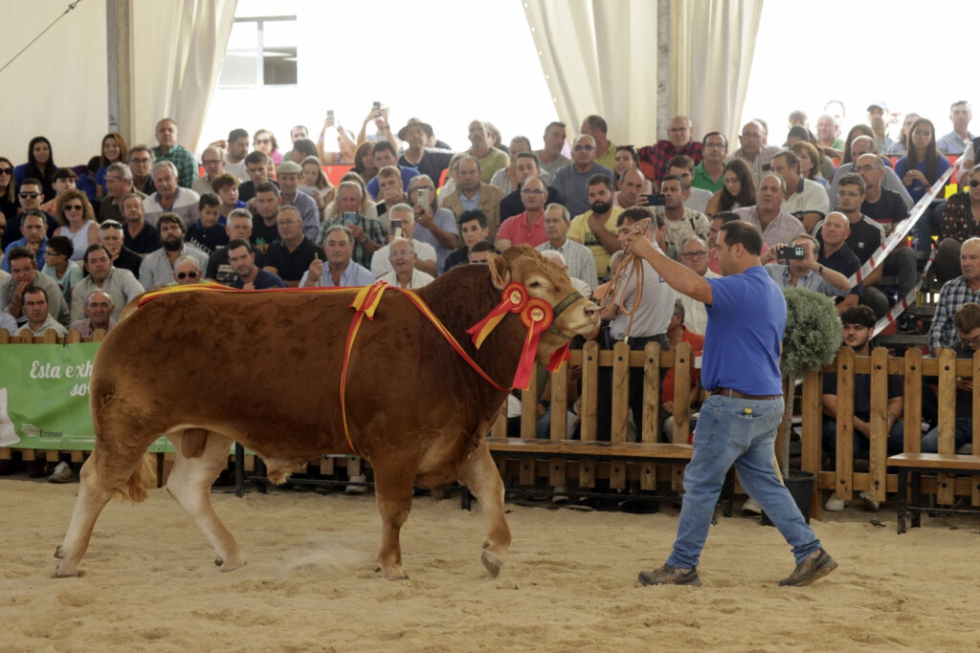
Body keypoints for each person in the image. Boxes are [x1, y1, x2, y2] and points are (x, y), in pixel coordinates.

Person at [629, 219, 836, 588]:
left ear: (738, 249)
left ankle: (681, 565)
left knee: (701, 483)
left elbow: (691, 285)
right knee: (766, 485)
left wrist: (650, 251)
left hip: (734, 404)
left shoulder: (739, 287)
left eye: (720, 248)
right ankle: (810, 551)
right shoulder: (771, 289)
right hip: (766, 401)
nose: (716, 255)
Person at [595, 207, 676, 441]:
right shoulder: (665, 261)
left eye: (625, 231)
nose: (620, 238)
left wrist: (595, 310)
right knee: (648, 416)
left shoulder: (635, 265)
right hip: (658, 343)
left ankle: (606, 471)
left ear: (644, 231)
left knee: (610, 417)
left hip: (631, 349)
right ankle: (647, 471)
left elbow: (609, 313)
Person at [821, 306, 904, 511]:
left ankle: (880, 488)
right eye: (846, 327)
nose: (850, 333)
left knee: (903, 434)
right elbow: (829, 403)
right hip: (845, 420)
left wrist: (886, 422)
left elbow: (896, 399)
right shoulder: (833, 359)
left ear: (871, 331)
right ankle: (842, 489)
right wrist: (863, 427)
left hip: (879, 418)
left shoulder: (884, 359)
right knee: (836, 432)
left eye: (857, 328)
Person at [921, 302, 980, 454]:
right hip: (956, 420)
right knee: (927, 446)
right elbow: (928, 377)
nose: (971, 344)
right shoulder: (951, 352)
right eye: (966, 340)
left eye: (976, 338)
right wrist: (953, 383)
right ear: (958, 331)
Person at [829, 134, 913, 211]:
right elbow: (832, 203)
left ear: (875, 153)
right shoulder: (843, 171)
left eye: (862, 153)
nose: (857, 158)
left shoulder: (885, 172)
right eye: (854, 154)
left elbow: (907, 203)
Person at [929, 237, 980, 356]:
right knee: (922, 369)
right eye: (963, 258)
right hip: (950, 355)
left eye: (973, 258)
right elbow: (937, 326)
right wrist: (943, 361)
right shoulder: (949, 288)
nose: (966, 263)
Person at [567, 174, 623, 281]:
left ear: (611, 194)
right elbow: (575, 260)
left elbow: (623, 253)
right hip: (587, 281)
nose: (597, 198)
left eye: (601, 193)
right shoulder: (578, 222)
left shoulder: (624, 218)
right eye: (592, 195)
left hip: (620, 279)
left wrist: (598, 229)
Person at [316, 184, 386, 269]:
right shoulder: (327, 225)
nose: (349, 204)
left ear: (360, 201)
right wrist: (333, 240)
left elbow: (384, 255)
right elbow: (317, 254)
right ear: (338, 201)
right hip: (334, 275)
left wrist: (364, 239)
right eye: (344, 200)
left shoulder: (373, 224)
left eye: (353, 199)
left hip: (365, 276)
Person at [761, 233, 851, 298]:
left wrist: (815, 266)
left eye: (805, 251)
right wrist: (768, 256)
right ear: (788, 253)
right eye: (797, 250)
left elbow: (845, 287)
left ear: (815, 257)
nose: (800, 254)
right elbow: (746, 273)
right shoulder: (771, 271)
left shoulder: (819, 279)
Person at [70, 244, 143, 322]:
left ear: (111, 262)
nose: (99, 264)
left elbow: (138, 294)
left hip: (123, 330)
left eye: (103, 260)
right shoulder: (80, 288)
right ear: (87, 266)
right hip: (92, 333)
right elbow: (76, 320)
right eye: (93, 261)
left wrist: (128, 319)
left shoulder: (123, 276)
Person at [438, 156, 505, 239]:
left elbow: (503, 228)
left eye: (472, 172)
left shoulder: (496, 195)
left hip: (491, 249)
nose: (468, 177)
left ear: (480, 173)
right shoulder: (447, 203)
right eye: (463, 173)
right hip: (461, 250)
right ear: (457, 175)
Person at [535, 203, 598, 291]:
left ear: (568, 225)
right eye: (547, 221)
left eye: (555, 221)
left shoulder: (583, 254)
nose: (551, 225)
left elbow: (591, 290)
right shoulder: (536, 253)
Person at [1, 246, 70, 326]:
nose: (22, 275)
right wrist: (15, 303)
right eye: (16, 271)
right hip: (19, 331)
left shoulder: (49, 286)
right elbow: (3, 322)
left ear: (35, 268)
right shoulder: (6, 285)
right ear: (10, 271)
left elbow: (48, 323)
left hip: (55, 331)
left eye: (26, 269)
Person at [138, 213, 208, 288]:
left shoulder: (201, 258)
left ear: (183, 232)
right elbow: (144, 293)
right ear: (160, 235)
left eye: (174, 227)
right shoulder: (148, 262)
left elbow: (204, 289)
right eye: (165, 229)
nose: (170, 232)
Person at [262, 205, 325, 287]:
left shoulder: (315, 252)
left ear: (300, 224)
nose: (285, 226)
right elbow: (269, 282)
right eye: (281, 222)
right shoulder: (273, 249)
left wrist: (281, 283)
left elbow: (317, 284)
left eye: (289, 222)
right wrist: (302, 282)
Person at [551, 134, 615, 216]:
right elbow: (556, 205)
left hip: (597, 221)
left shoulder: (605, 174)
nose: (583, 151)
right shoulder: (561, 174)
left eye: (588, 148)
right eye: (578, 148)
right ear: (572, 154)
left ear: (595, 152)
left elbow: (607, 205)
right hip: (567, 223)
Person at [734, 174, 804, 247]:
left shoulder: (795, 228)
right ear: (757, 193)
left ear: (782, 196)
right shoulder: (738, 217)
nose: (768, 193)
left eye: (774, 189)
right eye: (764, 188)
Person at [407, 175, 458, 274]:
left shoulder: (445, 214)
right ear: (410, 195)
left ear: (434, 193)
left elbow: (452, 244)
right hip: (413, 273)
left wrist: (430, 225)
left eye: (426, 188)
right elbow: (394, 239)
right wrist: (408, 219)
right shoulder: (402, 215)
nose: (422, 193)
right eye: (417, 189)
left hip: (443, 272)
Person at [894, 118, 950, 205]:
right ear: (911, 134)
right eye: (917, 132)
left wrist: (925, 183)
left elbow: (942, 196)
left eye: (926, 133)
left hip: (932, 206)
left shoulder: (942, 162)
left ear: (932, 137)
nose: (921, 137)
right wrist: (904, 185)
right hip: (908, 208)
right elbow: (895, 198)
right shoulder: (900, 163)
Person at [370, 204, 437, 277]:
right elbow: (383, 284)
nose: (401, 227)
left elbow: (431, 273)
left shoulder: (426, 249)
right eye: (397, 223)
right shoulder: (379, 255)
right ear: (390, 227)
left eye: (405, 222)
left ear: (413, 227)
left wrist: (407, 249)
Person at [770, 151, 829, 233]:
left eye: (779, 169)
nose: (774, 173)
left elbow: (807, 228)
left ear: (795, 168)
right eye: (772, 170)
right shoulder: (770, 194)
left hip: (803, 244)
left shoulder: (815, 190)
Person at [638, 115, 703, 188]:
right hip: (662, 195)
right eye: (674, 130)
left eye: (682, 129)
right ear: (668, 132)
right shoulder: (660, 148)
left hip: (690, 196)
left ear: (691, 131)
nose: (678, 133)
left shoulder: (701, 150)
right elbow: (638, 154)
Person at [206, 209, 266, 285]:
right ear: (227, 230)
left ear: (250, 231)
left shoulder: (260, 256)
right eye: (237, 227)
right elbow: (209, 285)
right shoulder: (216, 256)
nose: (241, 231)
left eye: (245, 227)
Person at [300, 225, 374, 287]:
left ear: (352, 247)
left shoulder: (365, 277)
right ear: (325, 247)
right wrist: (310, 281)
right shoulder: (312, 274)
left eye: (342, 244)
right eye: (332, 244)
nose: (337, 249)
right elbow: (299, 303)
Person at [499, 152, 564, 222]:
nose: (525, 172)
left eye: (529, 167)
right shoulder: (507, 203)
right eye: (521, 168)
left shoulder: (553, 194)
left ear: (538, 171)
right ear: (516, 174)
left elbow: (561, 222)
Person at [655, 174, 711, 254]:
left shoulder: (698, 220)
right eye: (665, 190)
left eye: (673, 189)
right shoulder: (655, 222)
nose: (668, 193)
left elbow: (705, 252)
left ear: (684, 194)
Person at [675, 236, 720, 335]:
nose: (695, 258)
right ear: (680, 258)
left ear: (708, 256)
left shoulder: (721, 284)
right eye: (689, 255)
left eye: (700, 253)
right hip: (682, 346)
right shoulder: (673, 286)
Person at [2, 179, 59, 250]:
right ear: (19, 198)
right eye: (24, 195)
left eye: (33, 195)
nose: (28, 198)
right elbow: (7, 252)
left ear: (42, 198)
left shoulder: (54, 223)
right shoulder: (11, 225)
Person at [495, 176, 550, 250]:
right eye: (527, 191)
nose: (531, 195)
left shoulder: (552, 224)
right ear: (521, 197)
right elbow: (503, 255)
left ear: (545, 197)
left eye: (537, 191)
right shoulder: (508, 224)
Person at [142, 161, 200, 229]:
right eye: (159, 180)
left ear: (176, 179)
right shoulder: (146, 204)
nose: (164, 184)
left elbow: (200, 228)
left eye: (167, 179)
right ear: (154, 183)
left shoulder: (192, 198)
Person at [397, 118, 454, 187]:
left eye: (419, 132)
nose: (415, 135)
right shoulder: (397, 159)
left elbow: (462, 157)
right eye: (411, 133)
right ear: (405, 137)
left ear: (426, 136)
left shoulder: (437, 156)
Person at [726, 121, 783, 185]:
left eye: (756, 135)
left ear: (763, 140)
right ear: (740, 138)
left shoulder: (774, 153)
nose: (751, 140)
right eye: (747, 135)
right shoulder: (730, 161)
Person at [275, 161, 320, 241]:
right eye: (284, 178)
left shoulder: (308, 203)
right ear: (277, 179)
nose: (288, 183)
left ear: (299, 179)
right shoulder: (272, 200)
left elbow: (312, 231)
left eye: (292, 178)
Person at [151, 119, 197, 189]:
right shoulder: (149, 154)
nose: (166, 133)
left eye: (170, 130)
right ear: (156, 136)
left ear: (177, 135)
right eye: (162, 130)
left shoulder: (186, 157)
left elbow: (191, 188)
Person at [53, 190, 98, 260]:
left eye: (77, 207)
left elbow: (95, 256)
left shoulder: (93, 227)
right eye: (68, 207)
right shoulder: (58, 232)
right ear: (62, 210)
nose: (73, 210)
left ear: (84, 209)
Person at [13, 136, 58, 201]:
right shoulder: (20, 171)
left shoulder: (57, 171)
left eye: (45, 149)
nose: (42, 152)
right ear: (31, 153)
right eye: (37, 149)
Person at [40, 235, 81, 304]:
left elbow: (76, 301)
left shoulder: (74, 271)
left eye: (48, 254)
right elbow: (41, 291)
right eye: (45, 252)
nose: (44, 256)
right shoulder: (47, 266)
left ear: (61, 258)